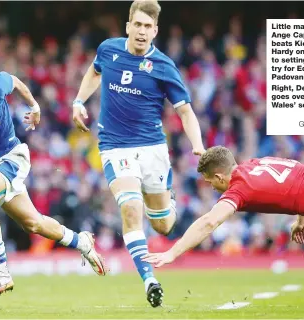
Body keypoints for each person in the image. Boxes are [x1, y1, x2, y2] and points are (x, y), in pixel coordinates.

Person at [0, 60, 107, 297]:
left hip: (13, 156)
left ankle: (1, 273)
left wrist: (34, 107)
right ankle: (82, 242)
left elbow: (15, 82)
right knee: (33, 224)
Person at [71, 0, 205, 308]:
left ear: (155, 31)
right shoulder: (109, 49)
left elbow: (185, 112)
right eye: (138, 25)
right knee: (131, 210)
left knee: (163, 225)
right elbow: (94, 72)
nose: (142, 32)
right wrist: (79, 101)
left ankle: (167, 201)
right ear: (128, 26)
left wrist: (197, 144)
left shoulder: (164, 67)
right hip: (115, 146)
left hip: (152, 149)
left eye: (148, 27)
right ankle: (149, 280)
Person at [142, 146, 304, 267]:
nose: (212, 187)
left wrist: (172, 253)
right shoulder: (255, 163)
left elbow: (209, 222)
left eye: (209, 182)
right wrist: (302, 217)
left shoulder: (240, 189)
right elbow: (298, 172)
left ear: (220, 177)